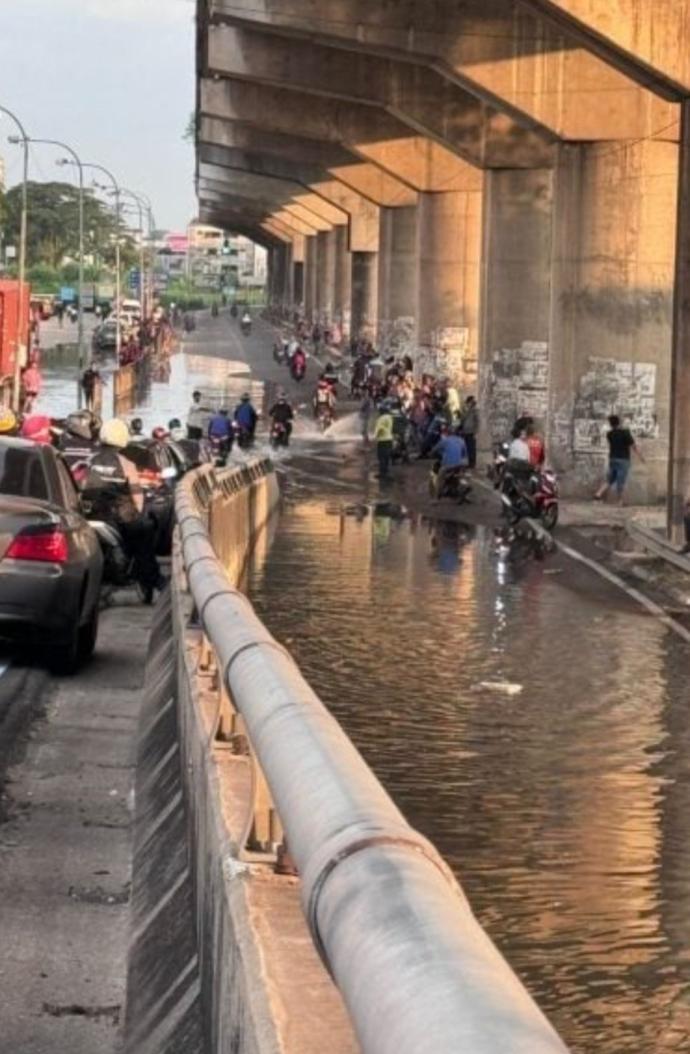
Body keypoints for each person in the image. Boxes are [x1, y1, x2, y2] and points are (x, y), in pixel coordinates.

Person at [83, 418, 165, 604]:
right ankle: (153, 578)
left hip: (90, 513)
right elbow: (137, 496)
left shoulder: (90, 460)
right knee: (144, 534)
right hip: (117, 515)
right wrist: (139, 511)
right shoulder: (126, 463)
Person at [595, 415, 644, 505]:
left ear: (611, 424)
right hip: (623, 459)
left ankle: (598, 493)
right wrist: (640, 456)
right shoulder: (625, 432)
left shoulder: (609, 434)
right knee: (620, 480)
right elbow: (633, 446)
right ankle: (620, 501)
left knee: (610, 478)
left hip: (613, 458)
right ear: (619, 422)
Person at [431, 424, 468, 499]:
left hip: (448, 465)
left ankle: (436, 498)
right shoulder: (461, 440)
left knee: (439, 479)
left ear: (448, 432)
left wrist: (431, 453)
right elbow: (464, 453)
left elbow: (434, 450)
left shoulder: (445, 441)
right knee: (461, 474)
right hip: (460, 465)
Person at [374, 402, 394, 481]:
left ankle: (382, 473)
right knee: (386, 457)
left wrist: (375, 437)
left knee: (381, 457)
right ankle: (386, 472)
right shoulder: (390, 417)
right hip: (389, 439)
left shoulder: (381, 419)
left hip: (382, 440)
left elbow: (379, 429)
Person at [460, 396, 479, 469]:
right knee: (467, 448)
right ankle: (469, 462)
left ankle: (472, 463)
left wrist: (476, 432)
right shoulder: (466, 411)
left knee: (472, 448)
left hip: (471, 432)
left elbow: (477, 422)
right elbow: (462, 420)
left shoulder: (475, 411)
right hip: (466, 432)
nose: (469, 404)